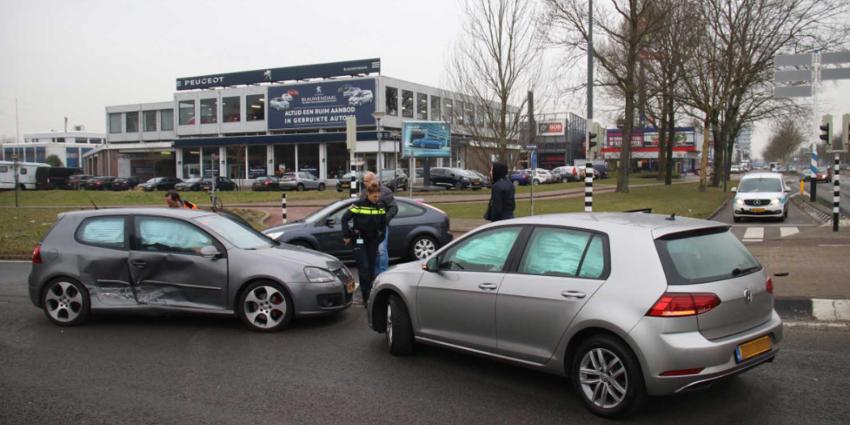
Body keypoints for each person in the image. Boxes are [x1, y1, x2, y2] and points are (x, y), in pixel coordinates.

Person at [342, 181, 386, 307]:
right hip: (359, 240)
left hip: (373, 241)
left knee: (372, 269)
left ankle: (370, 296)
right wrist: (346, 235)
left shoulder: (380, 206)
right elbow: (345, 218)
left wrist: (380, 238)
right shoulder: (359, 204)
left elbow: (384, 224)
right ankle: (365, 298)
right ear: (368, 194)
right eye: (374, 197)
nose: (376, 199)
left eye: (378, 196)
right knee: (364, 268)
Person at [361, 171, 398, 275]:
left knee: (381, 251)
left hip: (380, 228)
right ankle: (374, 275)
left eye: (366, 181)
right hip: (368, 228)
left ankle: (383, 274)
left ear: (373, 180)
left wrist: (383, 221)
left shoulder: (385, 192)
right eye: (364, 181)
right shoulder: (364, 192)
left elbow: (394, 208)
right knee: (372, 252)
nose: (364, 183)